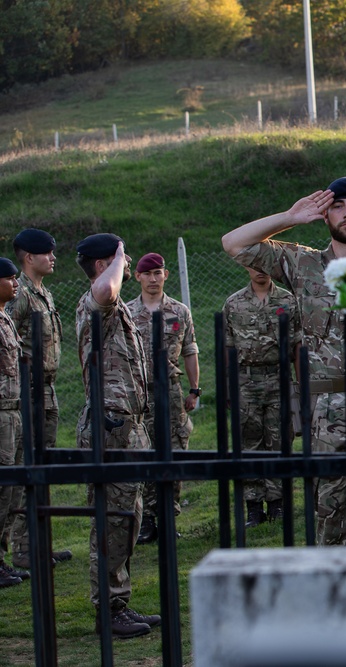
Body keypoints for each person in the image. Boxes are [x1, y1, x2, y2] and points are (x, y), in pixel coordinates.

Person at [221, 177, 346, 545]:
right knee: (329, 512)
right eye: (338, 206)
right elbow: (233, 243)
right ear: (325, 214)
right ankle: (335, 594)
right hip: (326, 409)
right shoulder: (302, 264)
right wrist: (291, 217)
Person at [75, 234, 160, 638]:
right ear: (102, 264)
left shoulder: (118, 310)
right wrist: (121, 256)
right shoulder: (97, 303)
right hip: (109, 429)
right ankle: (107, 611)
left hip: (129, 428)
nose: (126, 268)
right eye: (119, 261)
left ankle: (119, 604)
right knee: (111, 521)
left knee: (129, 518)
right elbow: (106, 288)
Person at [4, 229, 73, 570]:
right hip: (26, 391)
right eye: (46, 252)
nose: (53, 257)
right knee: (24, 468)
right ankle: (22, 548)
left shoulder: (42, 293)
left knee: (42, 467)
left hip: (47, 388)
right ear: (28, 257)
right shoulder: (20, 296)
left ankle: (37, 544)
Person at [126, 253, 200, 545]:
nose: (154, 279)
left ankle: (169, 516)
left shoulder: (179, 311)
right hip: (139, 391)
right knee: (144, 451)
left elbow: (190, 350)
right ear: (138, 277)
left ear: (166, 275)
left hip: (171, 390)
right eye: (148, 274)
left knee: (174, 450)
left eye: (158, 273)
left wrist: (195, 389)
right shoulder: (127, 312)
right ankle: (147, 521)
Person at [223, 268, 301, 526]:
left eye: (263, 264)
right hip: (246, 381)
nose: (260, 271)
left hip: (278, 377)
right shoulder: (234, 303)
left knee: (280, 441)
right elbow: (228, 347)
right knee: (249, 443)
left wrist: (301, 385)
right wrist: (228, 383)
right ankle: (254, 505)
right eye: (254, 265)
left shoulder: (288, 301)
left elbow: (298, 346)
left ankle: (278, 503)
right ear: (246, 267)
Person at [0, 257, 30, 588]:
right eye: (9, 279)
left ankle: (1, 558)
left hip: (13, 411)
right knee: (2, 486)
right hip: (0, 415)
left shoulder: (5, 318)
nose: (15, 283)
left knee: (11, 491)